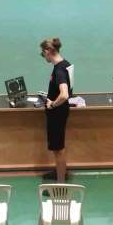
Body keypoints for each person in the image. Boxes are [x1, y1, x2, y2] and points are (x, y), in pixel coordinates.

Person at [40, 38, 73, 183]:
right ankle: (59, 172)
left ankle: (60, 184)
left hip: (57, 114)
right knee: (58, 147)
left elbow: (64, 94)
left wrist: (52, 104)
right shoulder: (65, 64)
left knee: (59, 149)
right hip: (61, 112)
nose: (43, 56)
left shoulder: (59, 70)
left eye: (43, 53)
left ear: (48, 51)